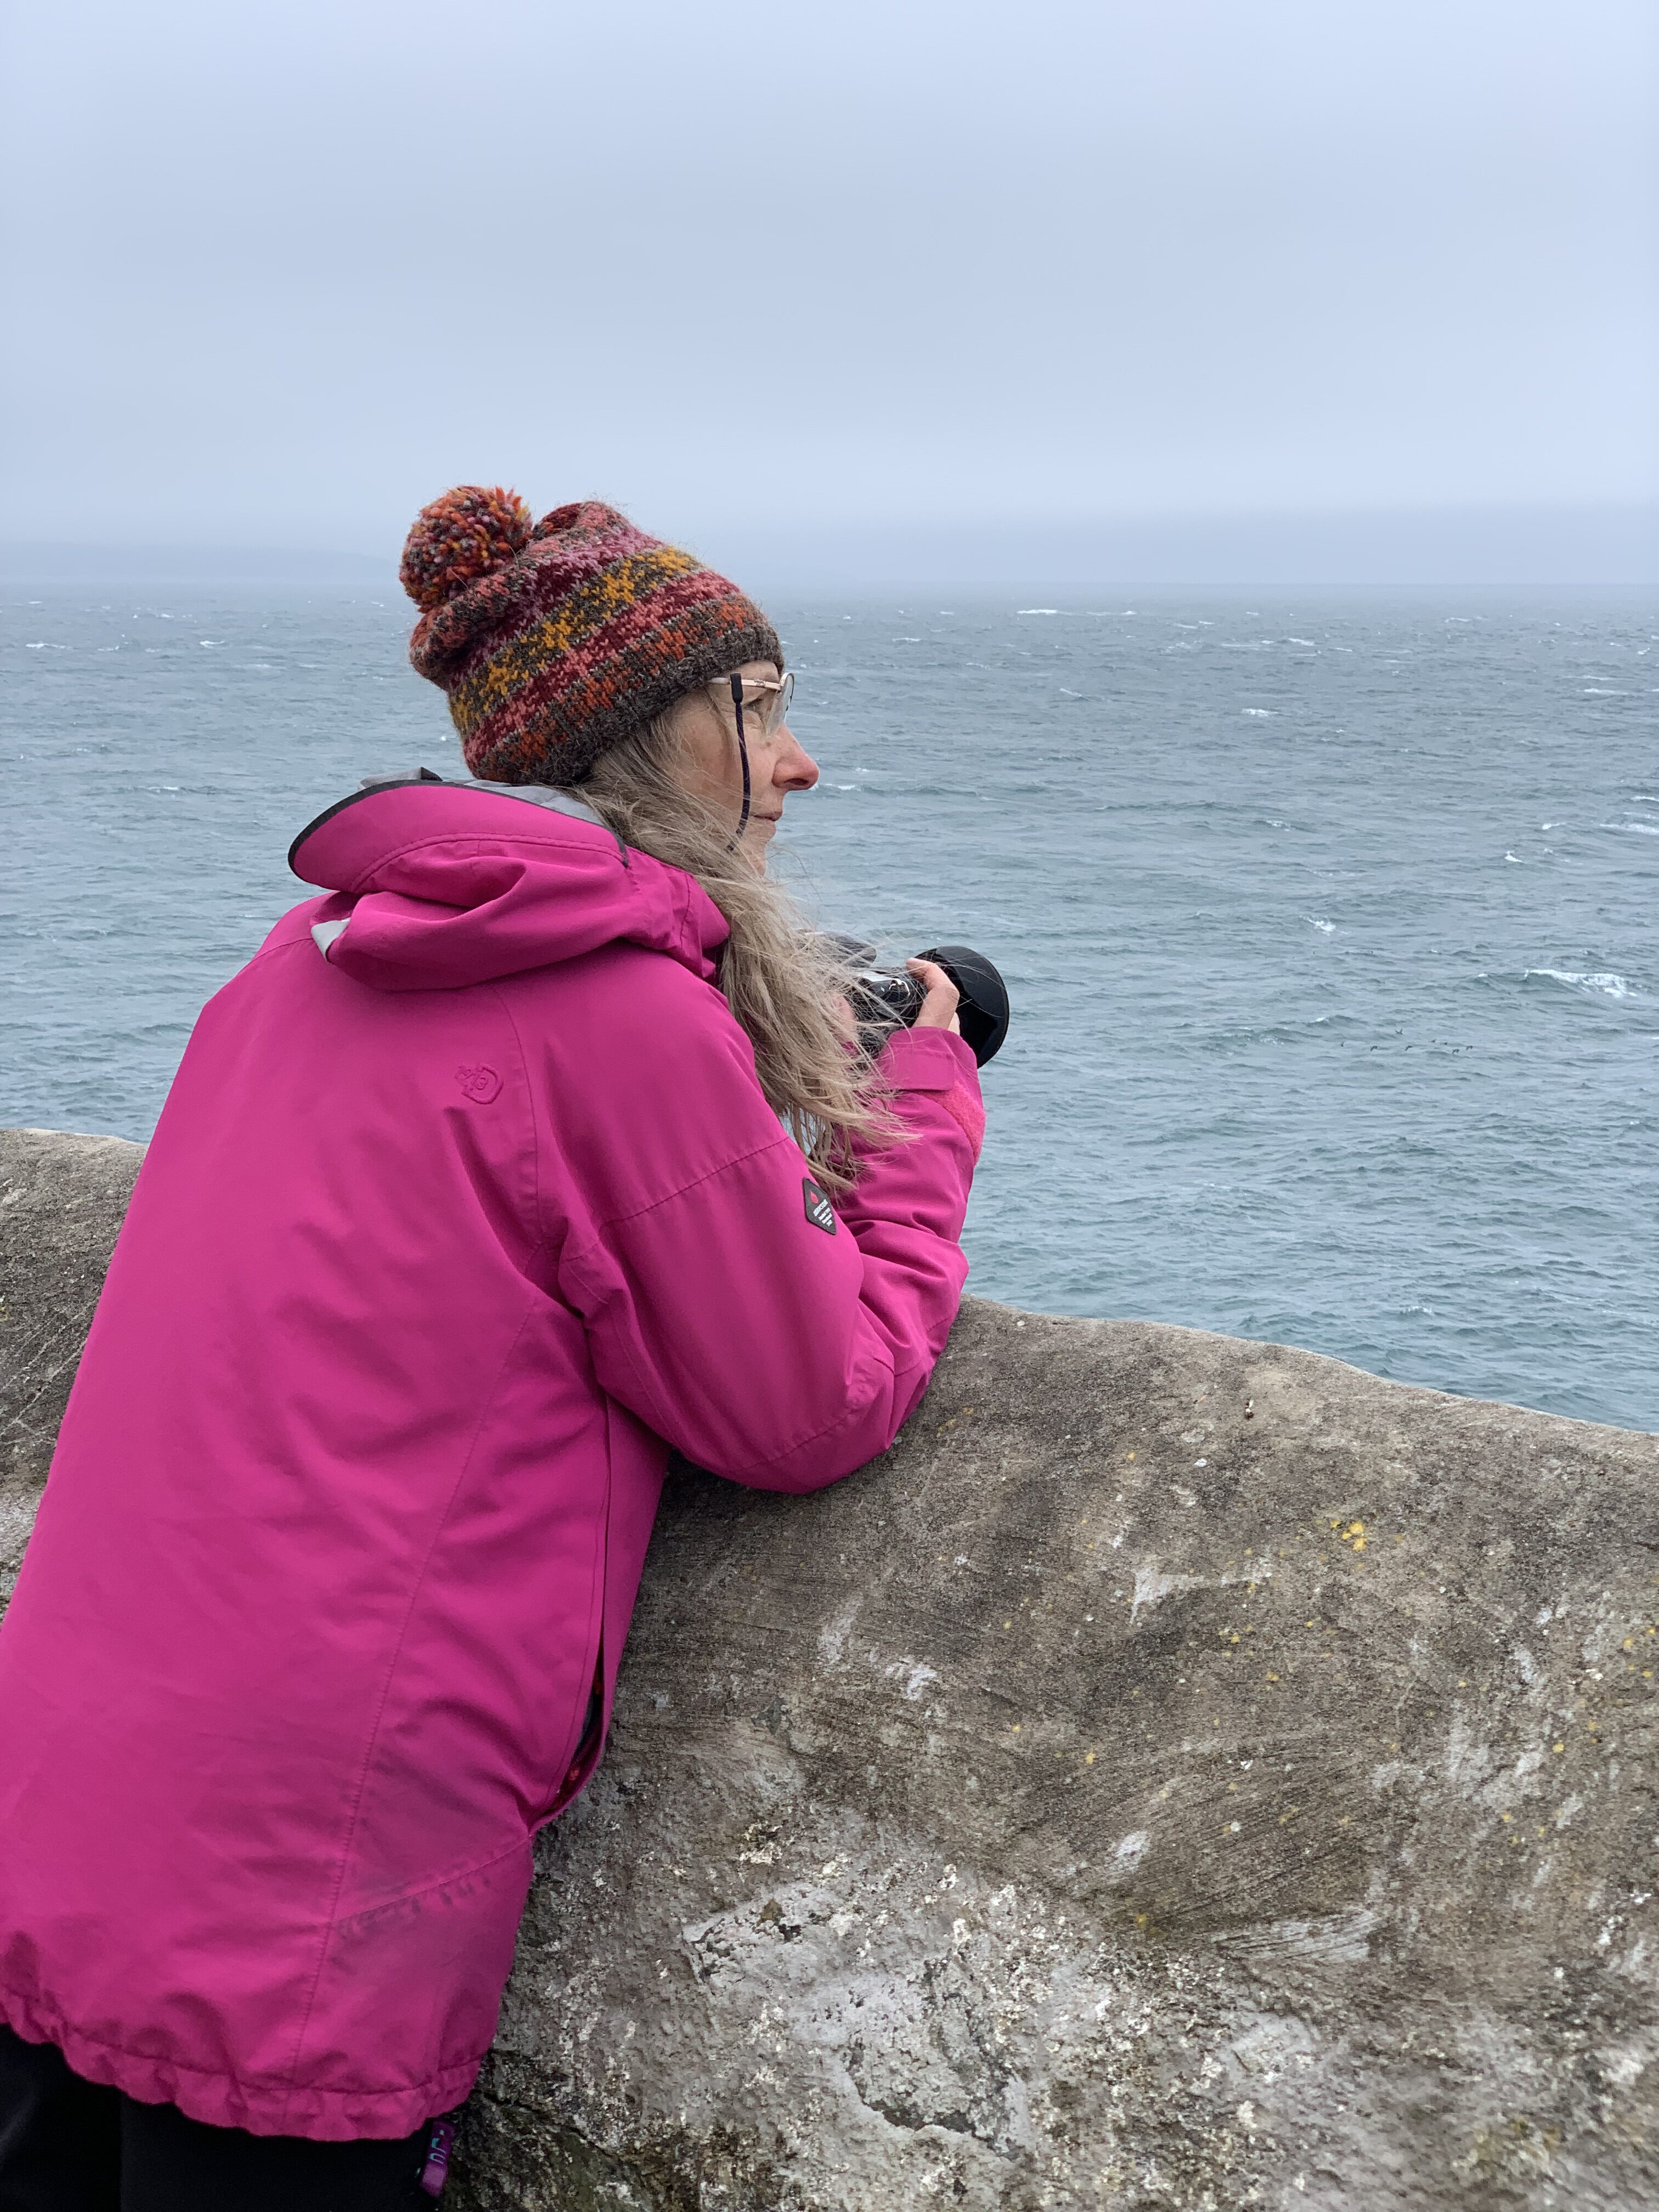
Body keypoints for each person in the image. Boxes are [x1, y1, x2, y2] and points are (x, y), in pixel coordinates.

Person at [0, 492, 984, 2208]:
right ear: (664, 733)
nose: (801, 761)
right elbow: (807, 1404)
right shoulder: (626, 1021)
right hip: (311, 1882)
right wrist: (916, 1097)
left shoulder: (299, 963)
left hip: (82, 1800)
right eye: (764, 703)